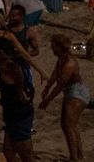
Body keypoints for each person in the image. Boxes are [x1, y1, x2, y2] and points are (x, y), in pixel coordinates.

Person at [38, 33, 86, 162]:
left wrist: (47, 100)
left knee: (68, 126)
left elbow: (60, 86)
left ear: (60, 46)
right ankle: (79, 155)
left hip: (76, 93)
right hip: (72, 92)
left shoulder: (69, 63)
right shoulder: (62, 58)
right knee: (71, 125)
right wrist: (47, 87)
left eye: (53, 46)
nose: (52, 48)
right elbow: (55, 73)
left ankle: (74, 158)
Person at [0, 36, 37, 162]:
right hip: (13, 116)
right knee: (8, 151)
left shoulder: (9, 66)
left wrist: (20, 92)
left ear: (1, 52)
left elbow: (18, 74)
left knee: (25, 154)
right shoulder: (6, 66)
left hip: (19, 116)